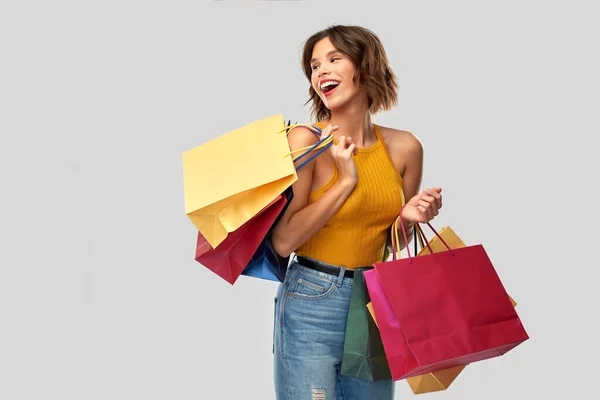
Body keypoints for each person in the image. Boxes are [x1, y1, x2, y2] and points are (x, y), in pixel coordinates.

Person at [270, 24, 443, 400]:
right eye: (314, 66)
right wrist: (345, 182)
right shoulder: (305, 141)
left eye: (334, 59)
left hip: (375, 299)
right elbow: (283, 242)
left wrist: (410, 219)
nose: (321, 73)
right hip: (312, 298)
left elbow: (392, 242)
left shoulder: (405, 147)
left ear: (365, 68)